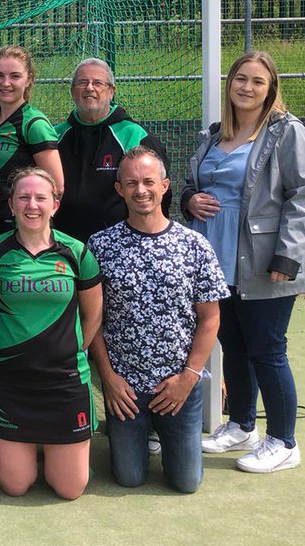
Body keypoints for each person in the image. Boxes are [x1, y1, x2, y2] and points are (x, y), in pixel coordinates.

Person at [183, 51, 305, 473]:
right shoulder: (214, 135)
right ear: (229, 84)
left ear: (271, 90)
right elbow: (192, 184)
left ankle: (285, 442)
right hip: (217, 257)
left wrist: (287, 257)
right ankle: (241, 424)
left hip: (265, 258)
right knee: (232, 343)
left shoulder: (287, 133)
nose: (247, 88)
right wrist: (187, 199)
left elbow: (303, 198)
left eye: (257, 81)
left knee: (267, 349)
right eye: (240, 79)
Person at [87, 147, 228, 493]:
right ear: (119, 189)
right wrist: (108, 378)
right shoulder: (100, 245)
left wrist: (189, 377)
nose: (141, 190)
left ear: (165, 185)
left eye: (149, 181)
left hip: (178, 385)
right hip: (126, 389)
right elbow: (92, 320)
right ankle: (139, 435)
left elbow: (209, 319)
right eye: (131, 182)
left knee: (186, 483)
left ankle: (165, 435)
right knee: (129, 478)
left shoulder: (194, 246)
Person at [0, 167, 102, 500]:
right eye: (23, 197)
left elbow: (93, 313)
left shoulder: (76, 252)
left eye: (41, 197)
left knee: (69, 489)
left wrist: (73, 349)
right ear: (11, 204)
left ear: (55, 204)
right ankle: (29, 451)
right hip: (11, 383)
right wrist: (2, 345)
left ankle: (56, 453)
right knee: (16, 485)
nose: (32, 205)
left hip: (65, 383)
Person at [54, 58, 170, 244]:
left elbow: (160, 194)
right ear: (72, 91)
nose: (90, 88)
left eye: (98, 83)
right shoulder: (55, 135)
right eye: (83, 82)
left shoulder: (133, 135)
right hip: (63, 246)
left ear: (111, 91)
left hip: (119, 248)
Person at [0, 44, 62, 249]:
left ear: (29, 79)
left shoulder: (35, 124)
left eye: (15, 76)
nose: (6, 83)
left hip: (21, 232)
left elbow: (57, 186)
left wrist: (35, 226)